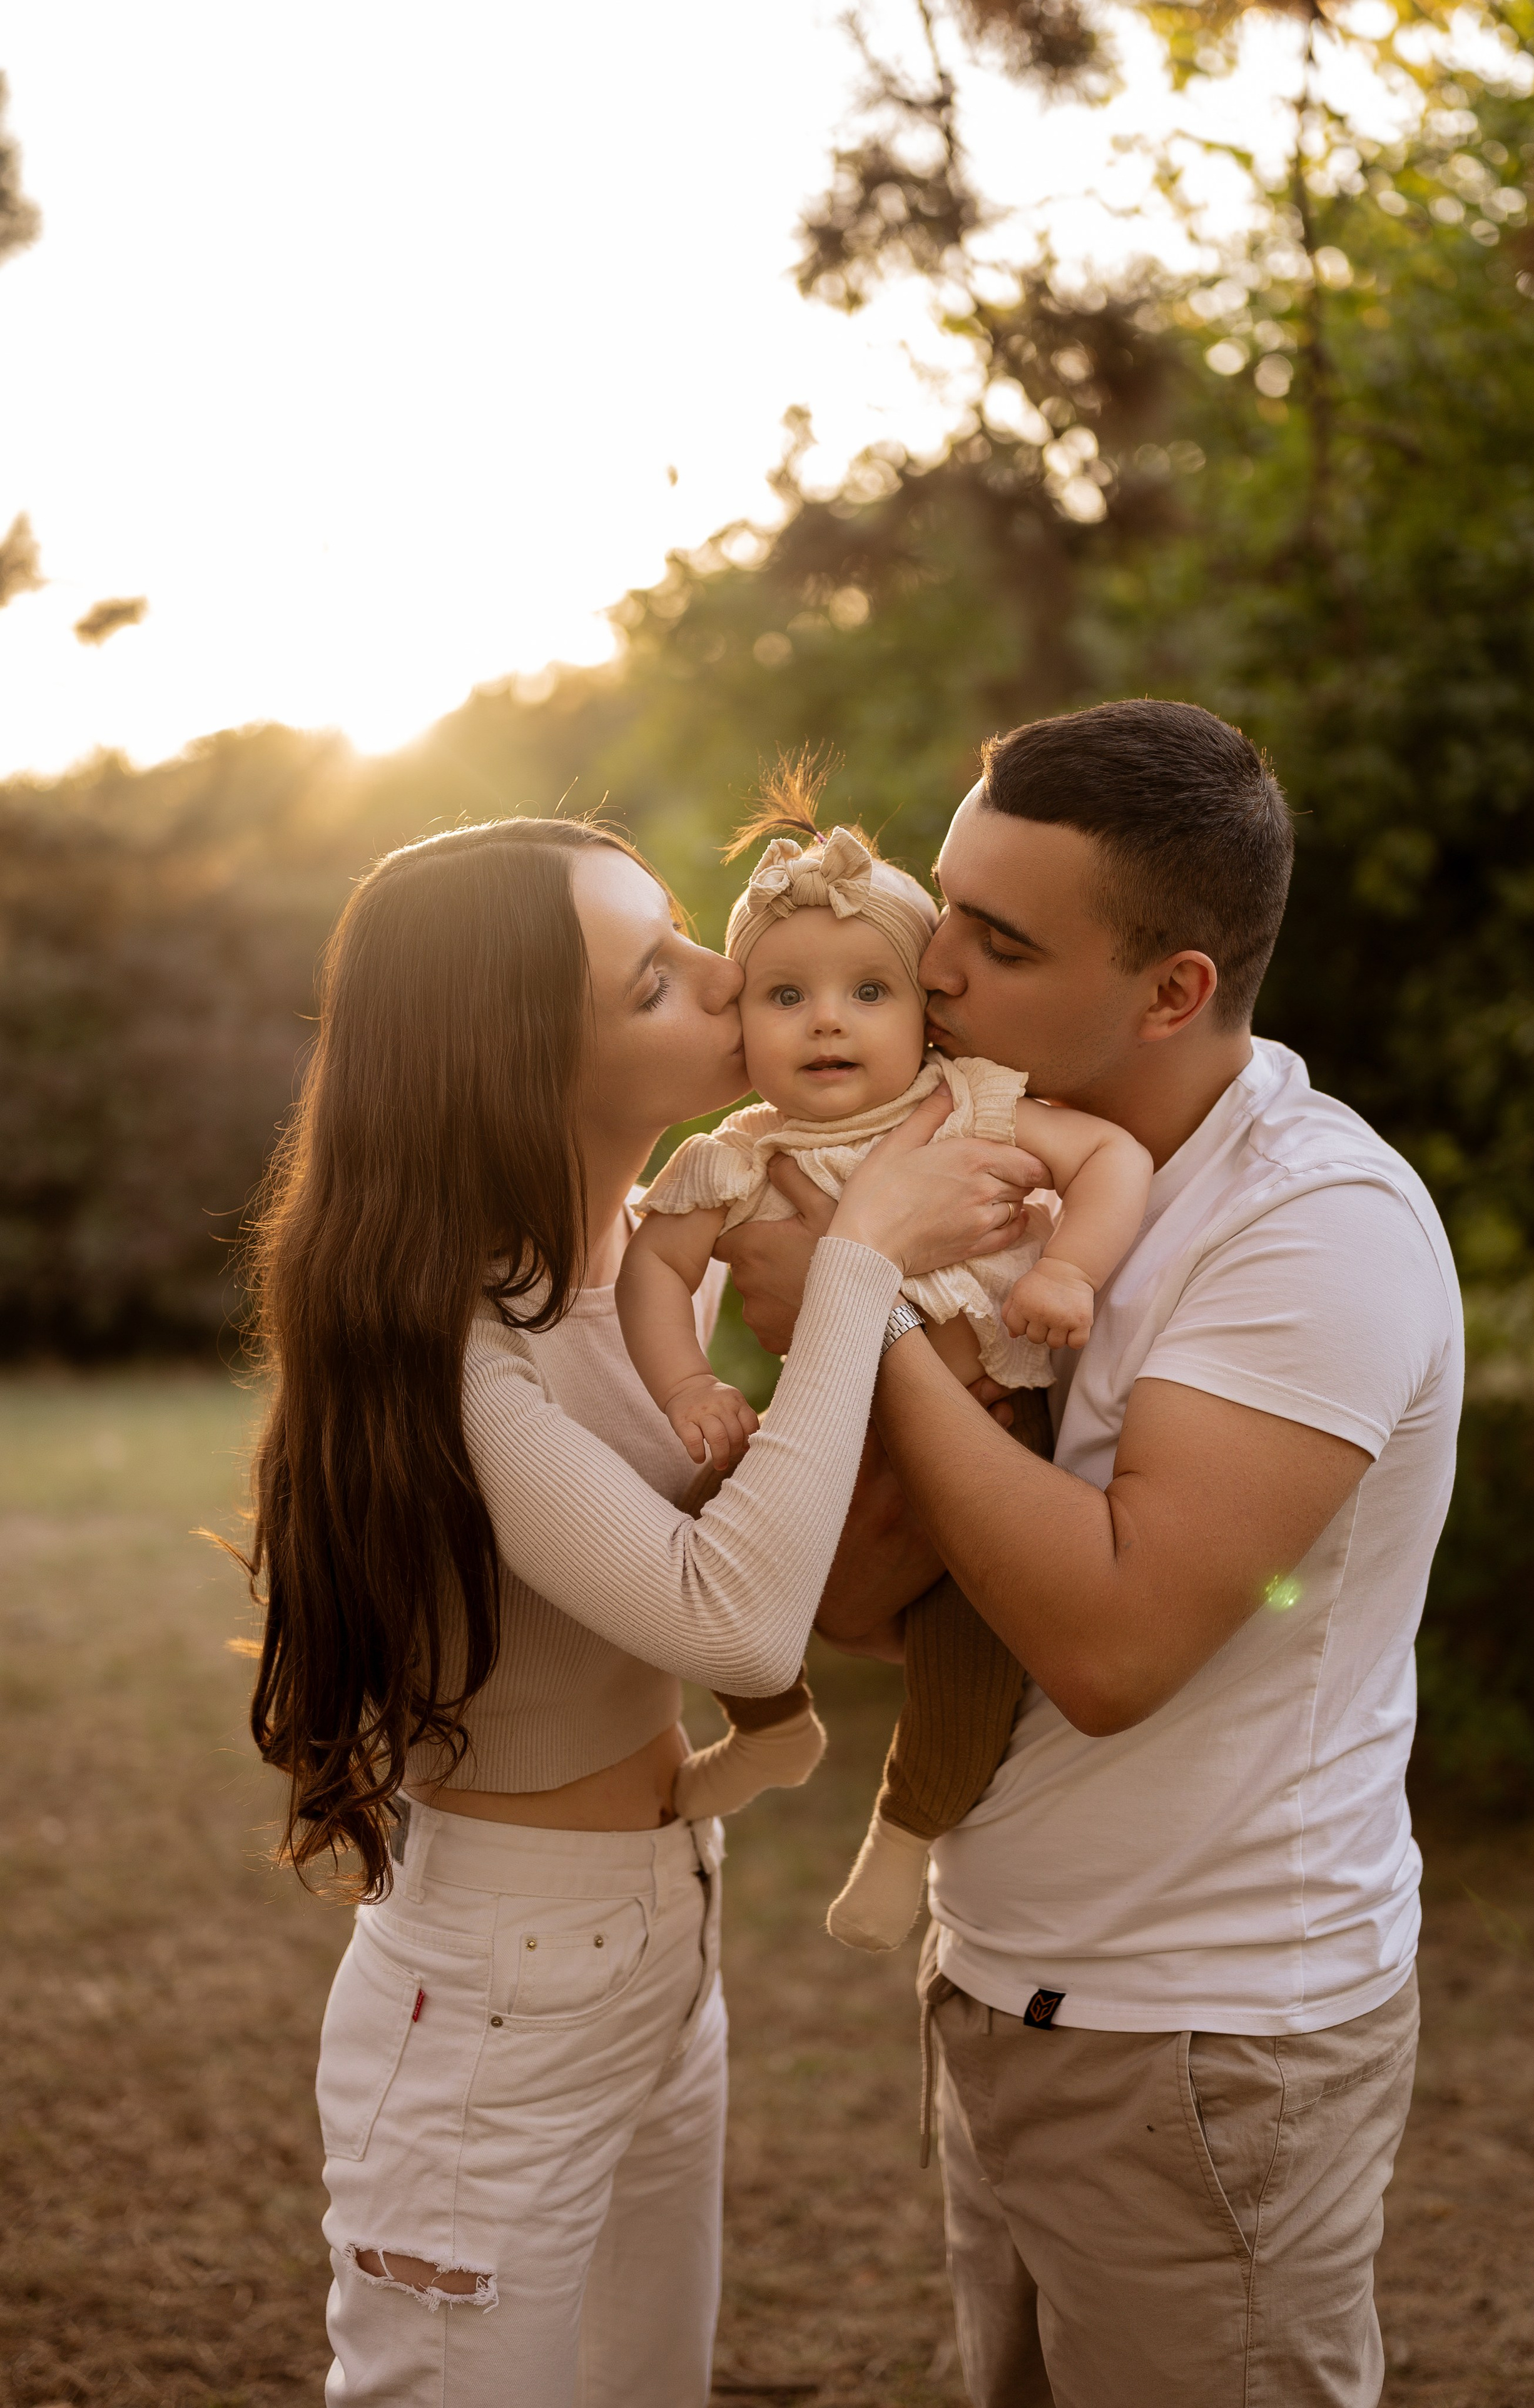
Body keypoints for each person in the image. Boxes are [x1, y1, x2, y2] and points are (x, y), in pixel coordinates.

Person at [237, 815, 1045, 2408]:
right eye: (653, 976)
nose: (729, 972)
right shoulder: (464, 1351)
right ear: (518, 1054)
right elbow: (735, 1625)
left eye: (690, 938)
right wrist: (864, 1266)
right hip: (497, 1988)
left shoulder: (619, 1279)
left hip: (663, 1924)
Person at [719, 701, 1465, 2408]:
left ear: (1174, 990)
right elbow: (850, 1609)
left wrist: (861, 1311)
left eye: (998, 938)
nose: (935, 963)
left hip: (1208, 2038)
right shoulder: (973, 1159)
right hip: (996, 1981)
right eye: (941, 903)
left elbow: (1115, 1646)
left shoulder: (1314, 1230)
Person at [618, 783, 1150, 1951]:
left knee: (975, 1629)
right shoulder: (734, 1155)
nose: (826, 1022)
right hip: (825, 1437)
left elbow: (1110, 1155)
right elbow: (651, 1275)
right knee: (692, 1530)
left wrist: (1070, 1270)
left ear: (928, 1016)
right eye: (785, 995)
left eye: (869, 993)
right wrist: (691, 1388)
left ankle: (909, 1831)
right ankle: (771, 1725)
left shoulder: (970, 1105)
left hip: (987, 1427)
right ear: (741, 1020)